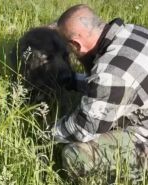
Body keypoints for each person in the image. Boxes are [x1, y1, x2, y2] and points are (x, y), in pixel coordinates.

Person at [53, 4, 148, 178]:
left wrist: (47, 133)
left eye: (70, 49)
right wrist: (73, 80)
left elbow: (83, 128)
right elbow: (115, 84)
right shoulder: (134, 31)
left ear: (76, 44)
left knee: (76, 156)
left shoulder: (109, 73)